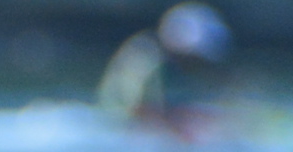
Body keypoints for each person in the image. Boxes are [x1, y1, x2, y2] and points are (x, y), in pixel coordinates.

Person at [98, 3, 236, 138]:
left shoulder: (172, 66)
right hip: (120, 131)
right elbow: (133, 109)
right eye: (194, 58)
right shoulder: (145, 57)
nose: (196, 65)